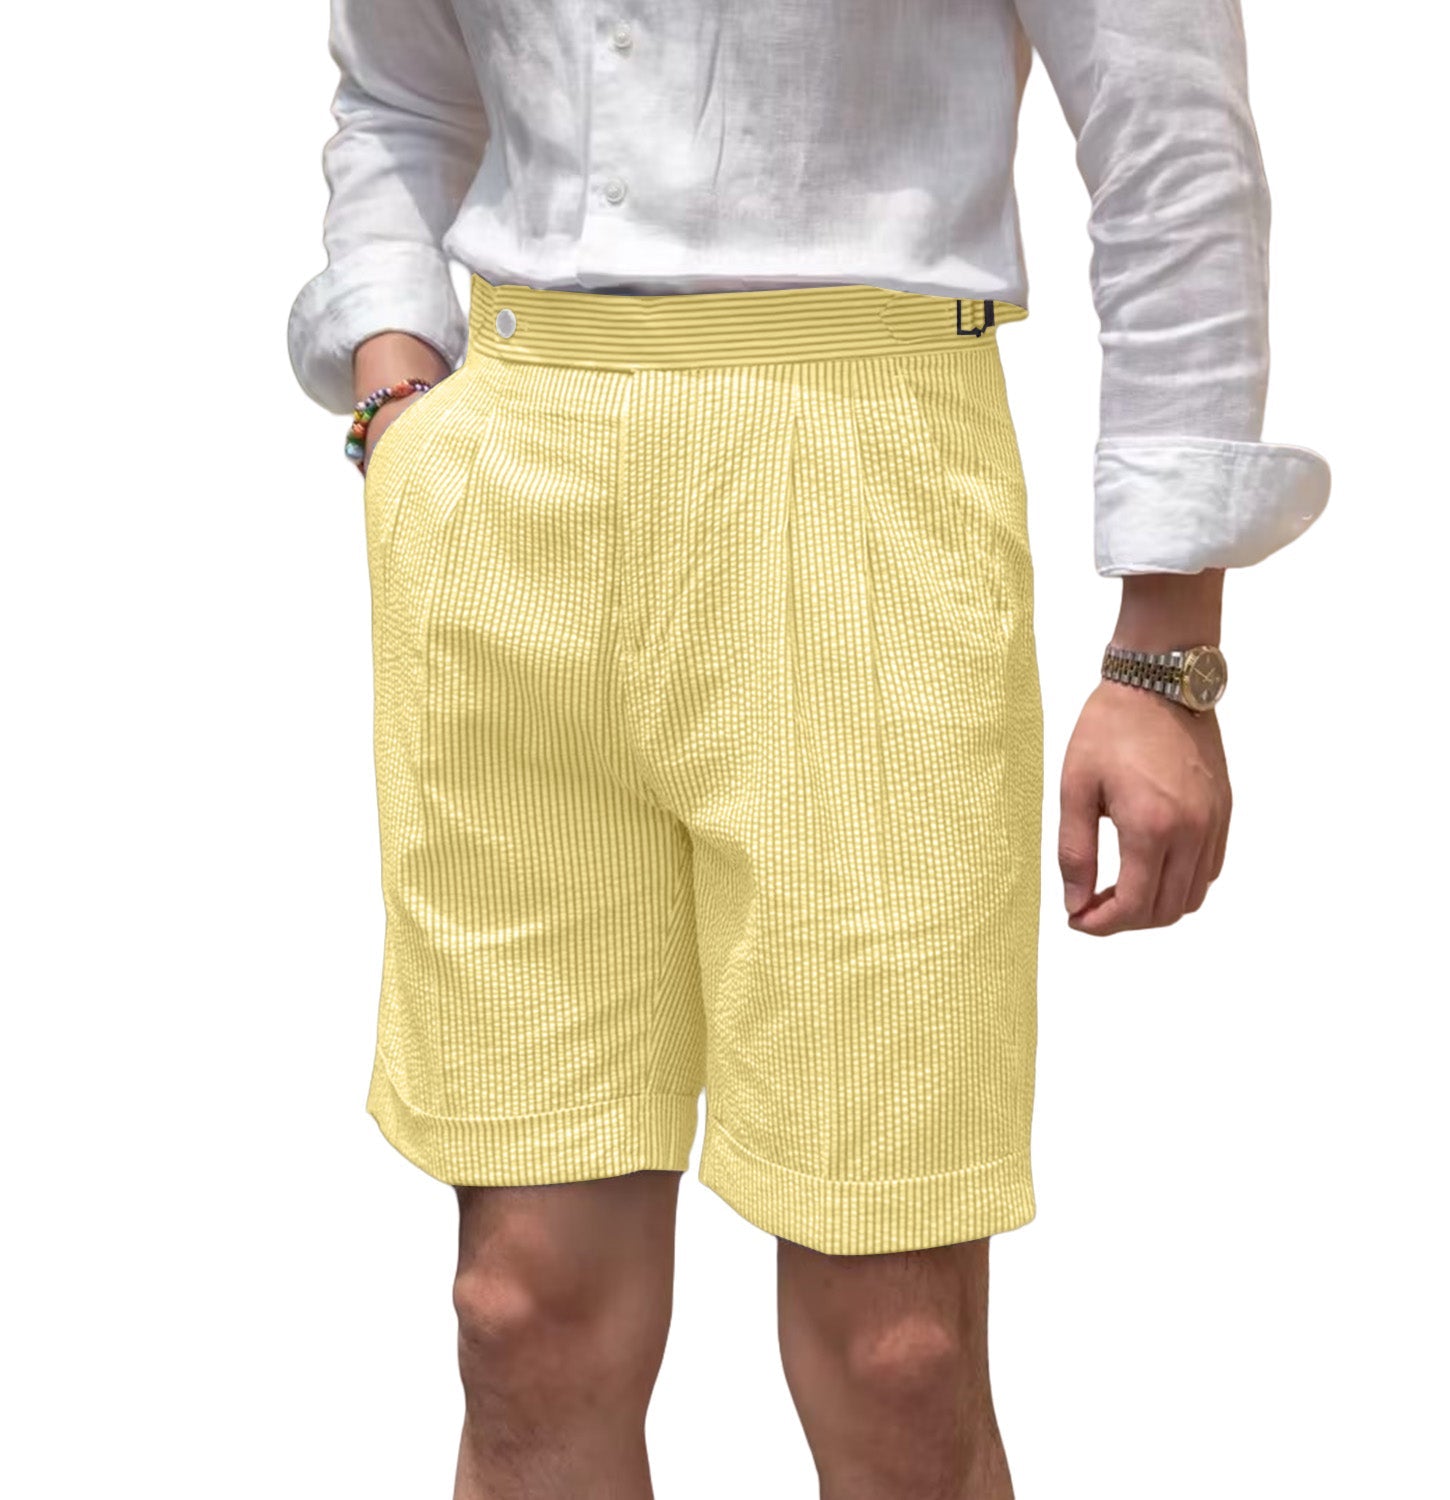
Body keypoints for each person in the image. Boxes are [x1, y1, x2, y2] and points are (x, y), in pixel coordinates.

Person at [286, 3, 1330, 1495]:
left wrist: (1164, 647)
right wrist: (397, 394)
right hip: (508, 501)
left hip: (863, 482)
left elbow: (1167, 143)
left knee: (893, 1351)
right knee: (520, 1316)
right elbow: (398, 92)